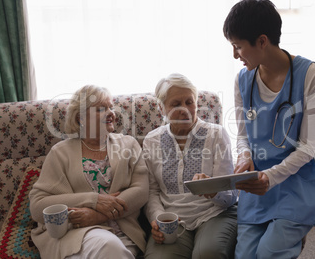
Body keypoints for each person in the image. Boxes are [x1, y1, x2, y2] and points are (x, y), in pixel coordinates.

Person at [223, 0, 315, 259]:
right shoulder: (242, 79)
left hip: (300, 181)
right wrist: (245, 157)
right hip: (258, 183)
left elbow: (307, 148)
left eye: (238, 47)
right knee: (246, 256)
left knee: (269, 253)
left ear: (262, 41)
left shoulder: (314, 77)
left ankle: (291, 229)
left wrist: (270, 177)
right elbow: (243, 136)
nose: (235, 55)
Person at [29, 85, 149, 258]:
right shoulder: (60, 153)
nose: (111, 113)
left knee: (112, 247)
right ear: (81, 118)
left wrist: (97, 215)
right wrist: (93, 200)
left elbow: (141, 191)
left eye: (111, 107)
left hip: (124, 235)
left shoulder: (129, 145)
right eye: (101, 109)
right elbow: (37, 207)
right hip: (76, 235)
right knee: (108, 245)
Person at [143, 73, 238, 259]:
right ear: (162, 108)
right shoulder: (151, 140)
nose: (185, 109)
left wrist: (213, 189)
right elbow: (152, 191)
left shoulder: (216, 134)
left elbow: (230, 197)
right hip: (172, 218)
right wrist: (157, 219)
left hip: (214, 213)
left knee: (208, 254)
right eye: (176, 104)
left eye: (189, 102)